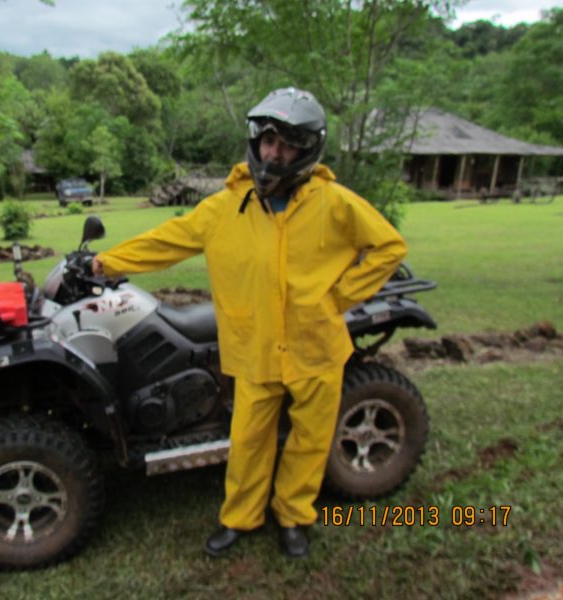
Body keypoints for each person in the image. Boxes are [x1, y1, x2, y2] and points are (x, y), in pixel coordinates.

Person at [92, 87, 407, 558]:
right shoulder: (225, 207)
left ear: (308, 149)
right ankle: (240, 518)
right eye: (268, 141)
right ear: (256, 141)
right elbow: (168, 240)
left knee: (310, 439)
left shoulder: (334, 203)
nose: (274, 153)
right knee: (247, 441)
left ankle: (294, 516)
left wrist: (339, 296)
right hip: (255, 348)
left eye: (287, 145)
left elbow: (388, 246)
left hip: (317, 347)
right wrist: (109, 261)